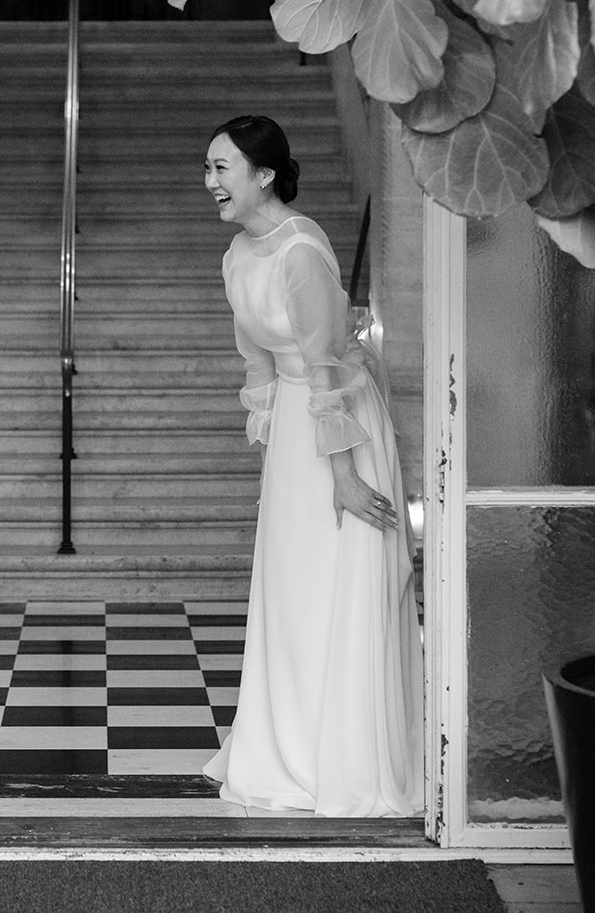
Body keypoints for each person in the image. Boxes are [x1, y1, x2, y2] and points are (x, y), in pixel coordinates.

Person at [200, 115, 422, 816]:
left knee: (338, 587)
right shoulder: (239, 254)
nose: (209, 183)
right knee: (293, 593)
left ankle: (342, 758)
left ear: (264, 174)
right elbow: (258, 361)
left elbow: (328, 369)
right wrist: (273, 445)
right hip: (297, 439)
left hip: (342, 429)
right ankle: (285, 742)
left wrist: (348, 476)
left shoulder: (302, 251)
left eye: (221, 168)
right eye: (206, 169)